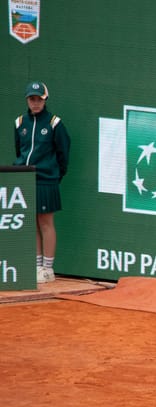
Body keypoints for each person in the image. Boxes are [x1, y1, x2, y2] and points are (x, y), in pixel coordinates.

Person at [13, 81, 71, 284]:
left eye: (39, 99)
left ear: (45, 100)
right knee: (31, 223)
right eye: (32, 99)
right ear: (27, 100)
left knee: (46, 223)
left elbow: (63, 153)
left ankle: (48, 268)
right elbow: (19, 150)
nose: (35, 103)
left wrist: (55, 175)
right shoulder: (20, 123)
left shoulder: (55, 123)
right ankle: (36, 266)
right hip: (24, 179)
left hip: (46, 180)